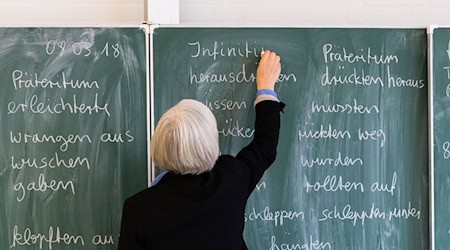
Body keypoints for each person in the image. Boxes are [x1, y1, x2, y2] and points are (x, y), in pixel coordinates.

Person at [118, 50, 285, 250]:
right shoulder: (231, 178)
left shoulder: (138, 209)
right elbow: (265, 145)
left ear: (160, 144)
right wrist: (266, 87)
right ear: (211, 142)